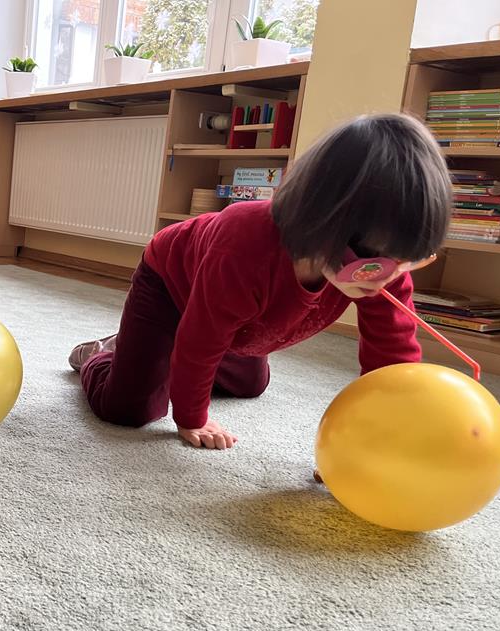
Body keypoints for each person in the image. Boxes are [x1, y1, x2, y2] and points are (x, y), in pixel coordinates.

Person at [69, 113, 453, 450]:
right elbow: (201, 340)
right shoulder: (244, 246)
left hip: (241, 319)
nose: (389, 276)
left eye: (407, 262)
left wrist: (371, 440)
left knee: (250, 385)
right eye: (376, 263)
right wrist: (191, 419)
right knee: (130, 408)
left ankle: (155, 350)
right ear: (322, 222)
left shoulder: (384, 266)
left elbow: (391, 360)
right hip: (170, 287)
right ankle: (104, 353)